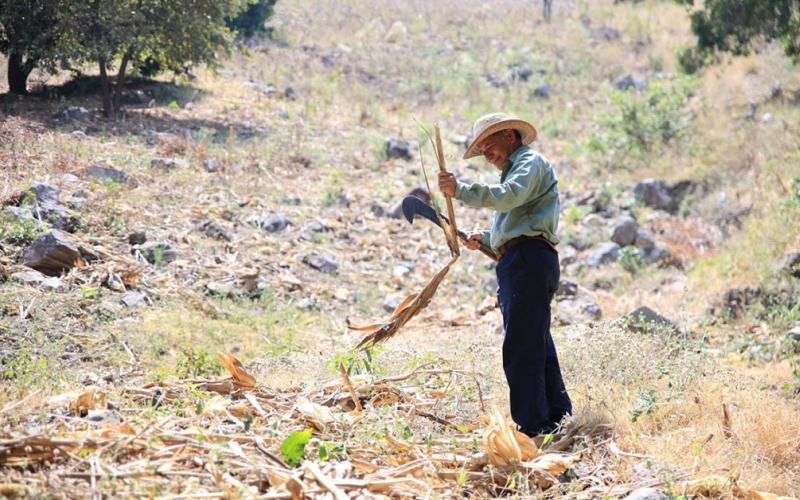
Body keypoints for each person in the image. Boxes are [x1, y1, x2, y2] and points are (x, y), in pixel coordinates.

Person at [438, 112, 571, 436]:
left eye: (489, 146)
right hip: (523, 259)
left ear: (509, 136)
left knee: (521, 347)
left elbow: (509, 197)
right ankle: (558, 419)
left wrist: (460, 190)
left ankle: (532, 428)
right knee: (535, 341)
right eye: (482, 150)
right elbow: (513, 221)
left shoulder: (529, 163)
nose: (487, 154)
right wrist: (485, 238)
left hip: (527, 259)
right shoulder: (517, 172)